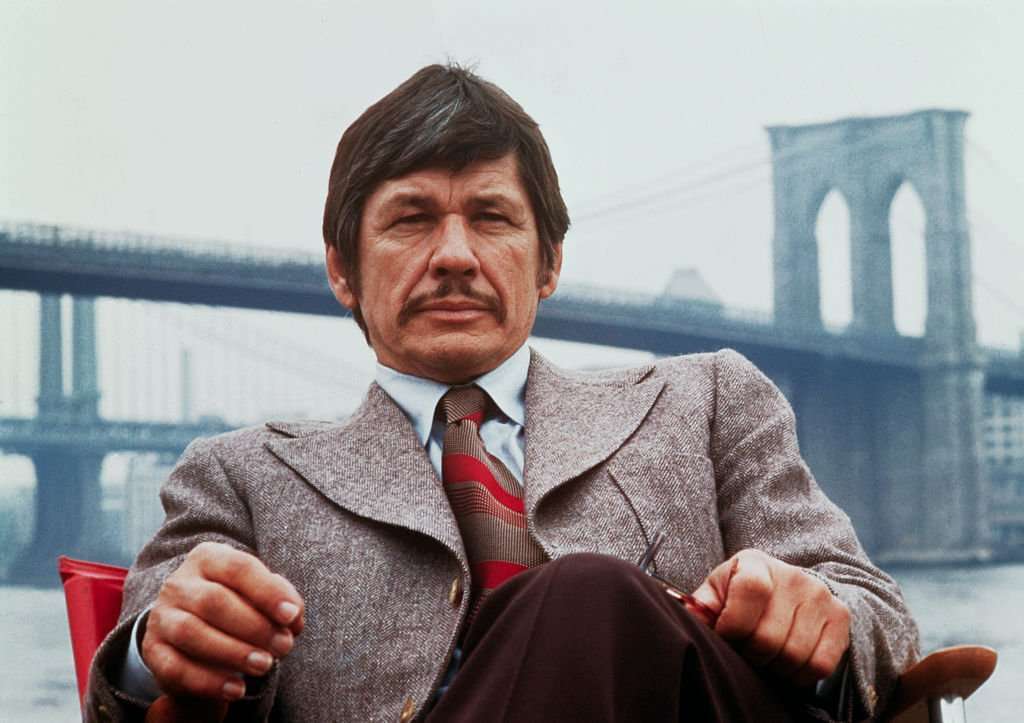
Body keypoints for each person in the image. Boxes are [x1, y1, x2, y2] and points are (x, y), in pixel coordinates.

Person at [86, 64, 919, 723]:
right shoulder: (238, 477)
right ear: (342, 269)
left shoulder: (708, 402)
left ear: (549, 262)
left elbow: (886, 628)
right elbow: (122, 699)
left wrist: (827, 616)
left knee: (590, 595)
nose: (453, 253)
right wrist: (159, 643)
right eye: (410, 219)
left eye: (490, 216)